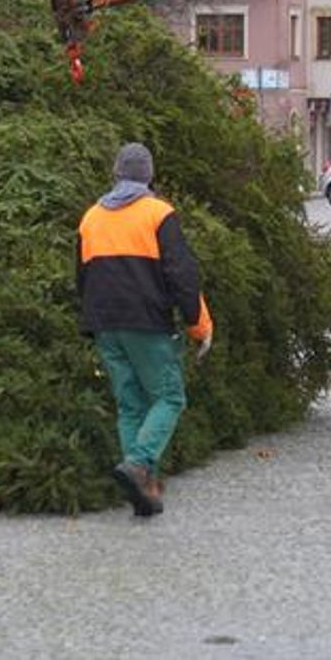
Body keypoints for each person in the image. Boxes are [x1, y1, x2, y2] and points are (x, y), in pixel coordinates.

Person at [77, 142, 212, 517]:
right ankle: (138, 465)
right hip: (147, 324)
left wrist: (91, 325)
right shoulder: (158, 214)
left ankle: (144, 491)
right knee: (170, 398)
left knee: (130, 403)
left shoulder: (91, 218)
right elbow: (182, 276)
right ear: (149, 177)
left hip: (105, 324)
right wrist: (197, 325)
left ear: (117, 175)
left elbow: (83, 278)